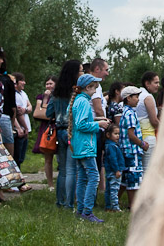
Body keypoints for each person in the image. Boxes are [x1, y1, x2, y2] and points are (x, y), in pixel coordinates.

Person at [69, 73, 110, 222]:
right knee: (94, 177)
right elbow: (81, 125)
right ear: (88, 87)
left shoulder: (78, 100)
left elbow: (80, 119)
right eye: (94, 87)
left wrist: (97, 119)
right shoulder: (84, 102)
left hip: (79, 144)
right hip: (86, 145)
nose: (96, 90)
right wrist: (99, 124)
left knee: (82, 177)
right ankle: (87, 211)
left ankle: (81, 210)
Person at [48, 59, 83, 209]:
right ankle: (69, 202)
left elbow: (49, 112)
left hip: (59, 131)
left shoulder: (56, 93)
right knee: (71, 169)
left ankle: (60, 201)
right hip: (71, 132)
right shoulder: (76, 92)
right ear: (75, 73)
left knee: (62, 170)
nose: (82, 73)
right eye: (81, 70)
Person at [119, 85, 149, 209]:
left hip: (126, 150)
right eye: (136, 97)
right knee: (133, 177)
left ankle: (114, 201)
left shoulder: (125, 112)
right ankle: (132, 205)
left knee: (125, 178)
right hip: (132, 150)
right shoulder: (130, 114)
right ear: (128, 98)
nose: (138, 99)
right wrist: (142, 144)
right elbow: (131, 135)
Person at [31, 75, 57, 190]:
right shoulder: (41, 97)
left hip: (57, 127)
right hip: (47, 128)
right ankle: (50, 184)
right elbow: (38, 113)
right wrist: (46, 99)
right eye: (47, 84)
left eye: (51, 83)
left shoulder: (59, 96)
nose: (48, 86)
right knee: (48, 157)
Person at [88, 58, 110, 195]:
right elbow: (98, 108)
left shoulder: (97, 85)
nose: (107, 73)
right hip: (95, 127)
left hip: (95, 126)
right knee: (94, 163)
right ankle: (91, 196)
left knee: (96, 162)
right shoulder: (94, 85)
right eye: (106, 70)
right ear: (97, 69)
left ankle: (93, 193)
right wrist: (105, 122)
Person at [136, 71, 161, 169]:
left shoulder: (138, 94)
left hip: (138, 136)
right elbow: (154, 121)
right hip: (148, 136)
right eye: (156, 82)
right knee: (148, 169)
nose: (158, 85)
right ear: (147, 83)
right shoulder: (148, 97)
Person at [103, 124, 126, 212]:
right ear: (108, 135)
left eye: (118, 134)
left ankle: (108, 206)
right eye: (115, 134)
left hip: (109, 171)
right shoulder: (112, 146)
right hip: (114, 171)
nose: (117, 136)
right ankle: (115, 207)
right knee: (114, 189)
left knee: (108, 189)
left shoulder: (109, 145)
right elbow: (113, 159)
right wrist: (117, 170)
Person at [11, 72, 32, 168]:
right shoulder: (14, 95)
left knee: (22, 156)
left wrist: (26, 109)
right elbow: (17, 114)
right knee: (17, 156)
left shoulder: (23, 94)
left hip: (25, 128)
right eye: (22, 81)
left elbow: (30, 107)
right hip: (19, 129)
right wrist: (21, 128)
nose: (24, 83)